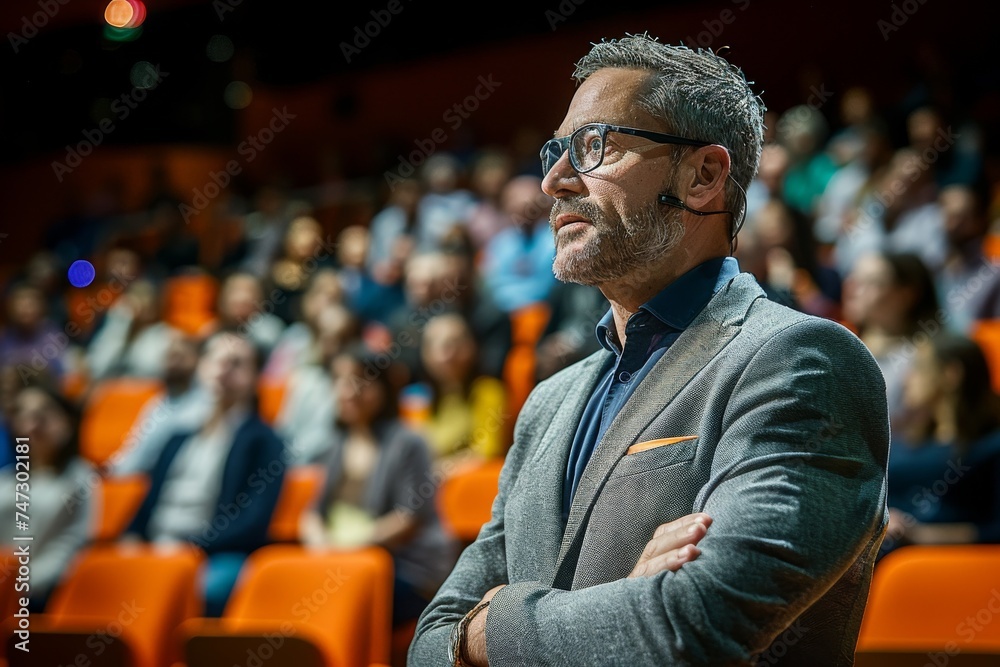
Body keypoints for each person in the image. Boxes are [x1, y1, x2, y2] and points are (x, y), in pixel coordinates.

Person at [410, 35, 889, 666]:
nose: (553, 180)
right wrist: (618, 607)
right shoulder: (547, 403)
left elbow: (689, 628)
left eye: (593, 146)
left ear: (702, 177)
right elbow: (426, 641)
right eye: (555, 151)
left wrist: (488, 628)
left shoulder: (802, 363)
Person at [123, 329, 286, 617]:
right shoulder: (178, 436)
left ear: (256, 376)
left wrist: (191, 547)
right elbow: (148, 503)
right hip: (158, 546)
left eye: (236, 363)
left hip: (216, 553)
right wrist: (132, 539)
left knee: (209, 591)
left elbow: (252, 522)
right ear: (201, 367)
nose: (223, 368)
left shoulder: (264, 440)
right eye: (214, 358)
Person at [300, 343, 457, 628]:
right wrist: (320, 545)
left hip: (405, 568)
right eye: (340, 381)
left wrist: (347, 550)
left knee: (342, 595)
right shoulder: (337, 445)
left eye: (360, 380)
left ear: (384, 388)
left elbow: (408, 519)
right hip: (344, 562)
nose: (349, 391)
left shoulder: (409, 442)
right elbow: (314, 513)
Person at [881, 333, 1000, 557]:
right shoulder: (908, 438)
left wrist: (918, 535)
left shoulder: (990, 446)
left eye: (919, 367)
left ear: (950, 374)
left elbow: (995, 530)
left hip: (920, 561)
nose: (907, 379)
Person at [0, 378, 96, 612]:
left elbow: (69, 551)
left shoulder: (80, 477)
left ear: (67, 421)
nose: (34, 424)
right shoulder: (6, 478)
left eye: (44, 414)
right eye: (25, 415)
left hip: (40, 598)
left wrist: (19, 587)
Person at [405, 312, 507, 474]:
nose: (447, 354)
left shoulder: (489, 391)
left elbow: (488, 453)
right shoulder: (415, 397)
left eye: (455, 343)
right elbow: (413, 453)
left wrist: (442, 470)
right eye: (435, 345)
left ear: (473, 346)